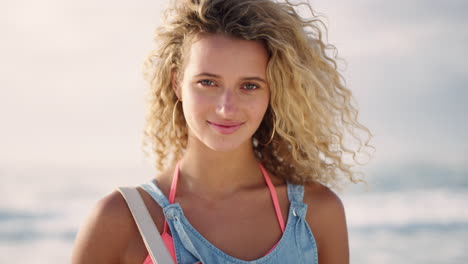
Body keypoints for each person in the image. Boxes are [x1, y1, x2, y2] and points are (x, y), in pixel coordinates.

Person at [72, 0, 372, 263]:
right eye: (208, 82)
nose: (226, 108)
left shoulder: (317, 214)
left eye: (249, 86)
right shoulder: (122, 219)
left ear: (273, 92)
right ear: (177, 82)